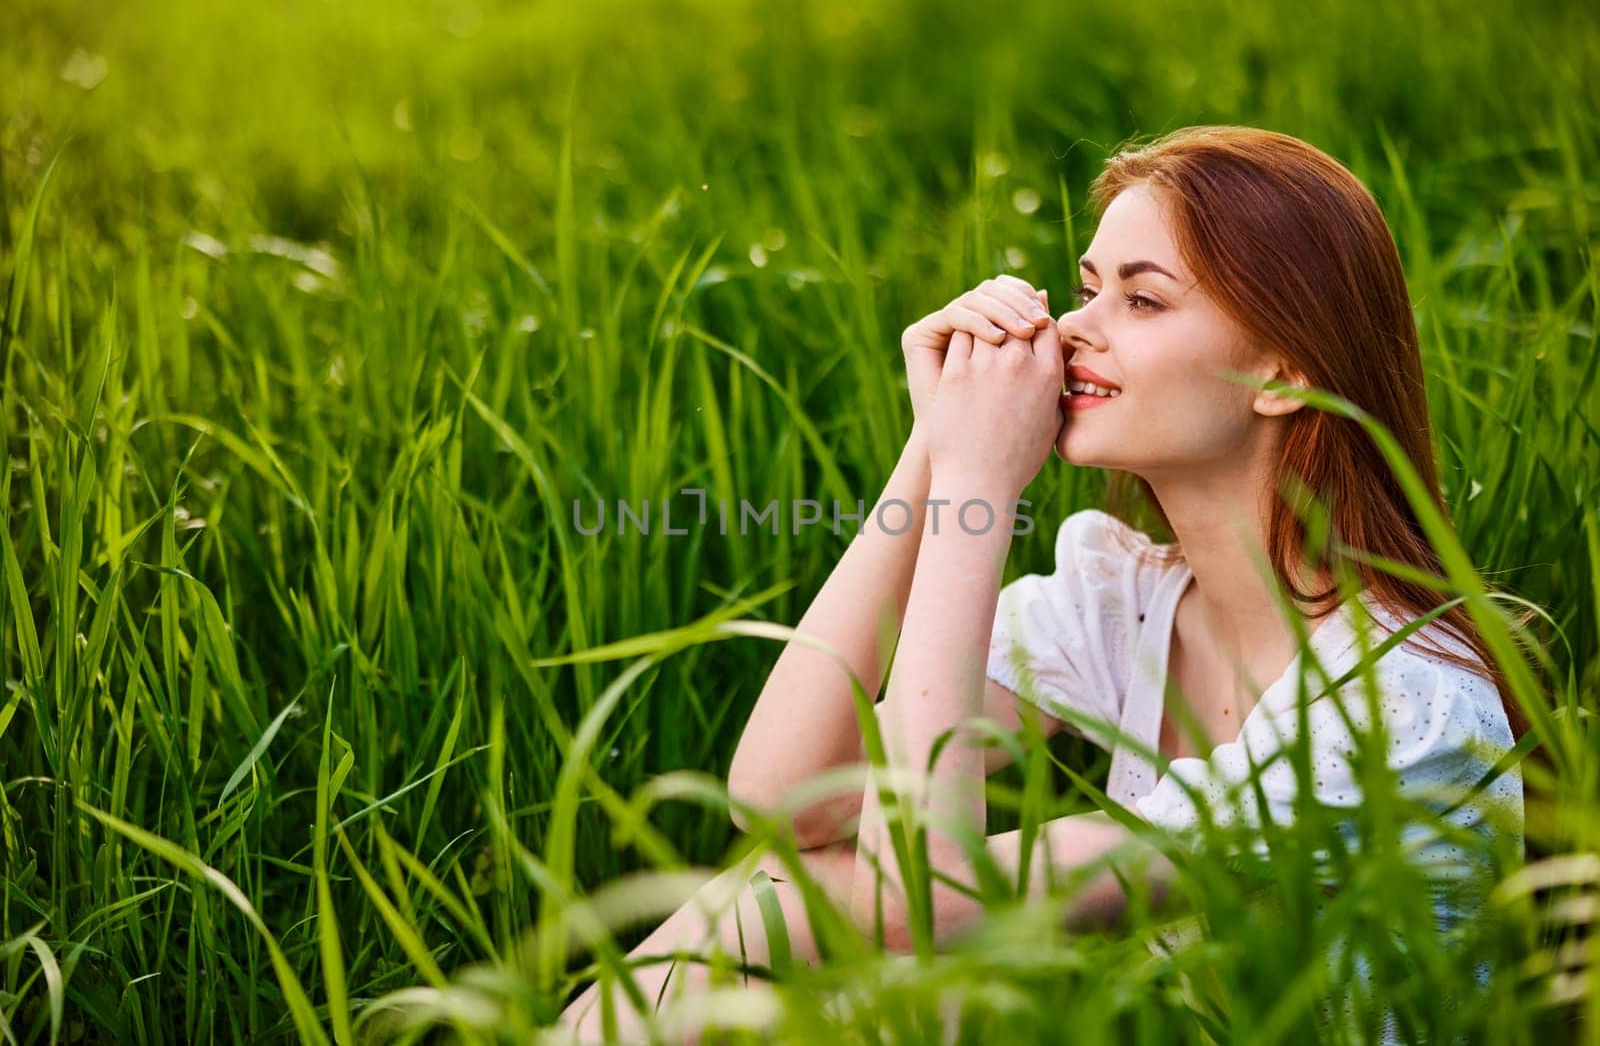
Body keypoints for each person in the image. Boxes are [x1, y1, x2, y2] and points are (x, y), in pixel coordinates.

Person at [556, 125, 1527, 1043]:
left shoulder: (1399, 710)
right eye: (1086, 287)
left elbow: (927, 907)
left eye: (1139, 301)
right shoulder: (1128, 595)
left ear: (1281, 371)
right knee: (773, 896)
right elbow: (786, 797)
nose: (1070, 329)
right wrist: (930, 450)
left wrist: (977, 491)